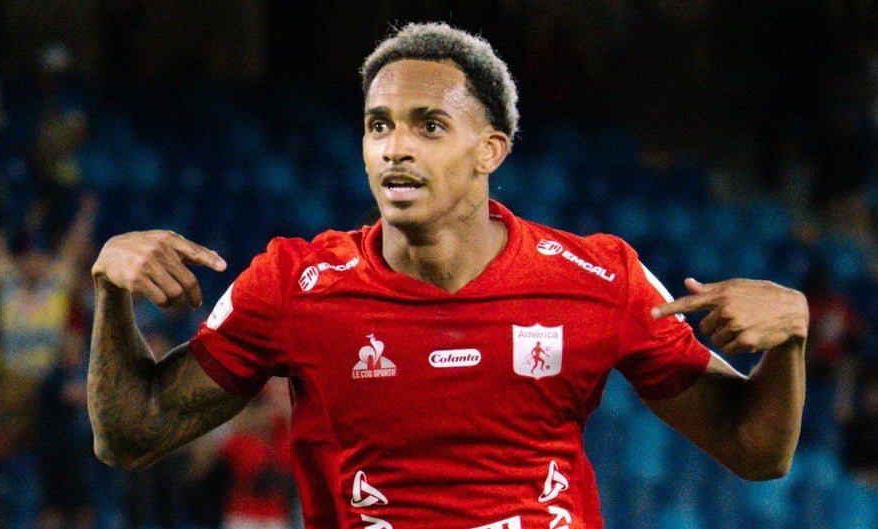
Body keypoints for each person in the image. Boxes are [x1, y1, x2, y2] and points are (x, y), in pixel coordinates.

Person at [88, 22, 809, 529]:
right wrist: (111, 294)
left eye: (428, 125)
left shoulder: (600, 278)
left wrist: (790, 340)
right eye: (379, 125)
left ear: (490, 149)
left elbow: (754, 449)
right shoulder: (294, 284)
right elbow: (130, 435)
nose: (395, 148)